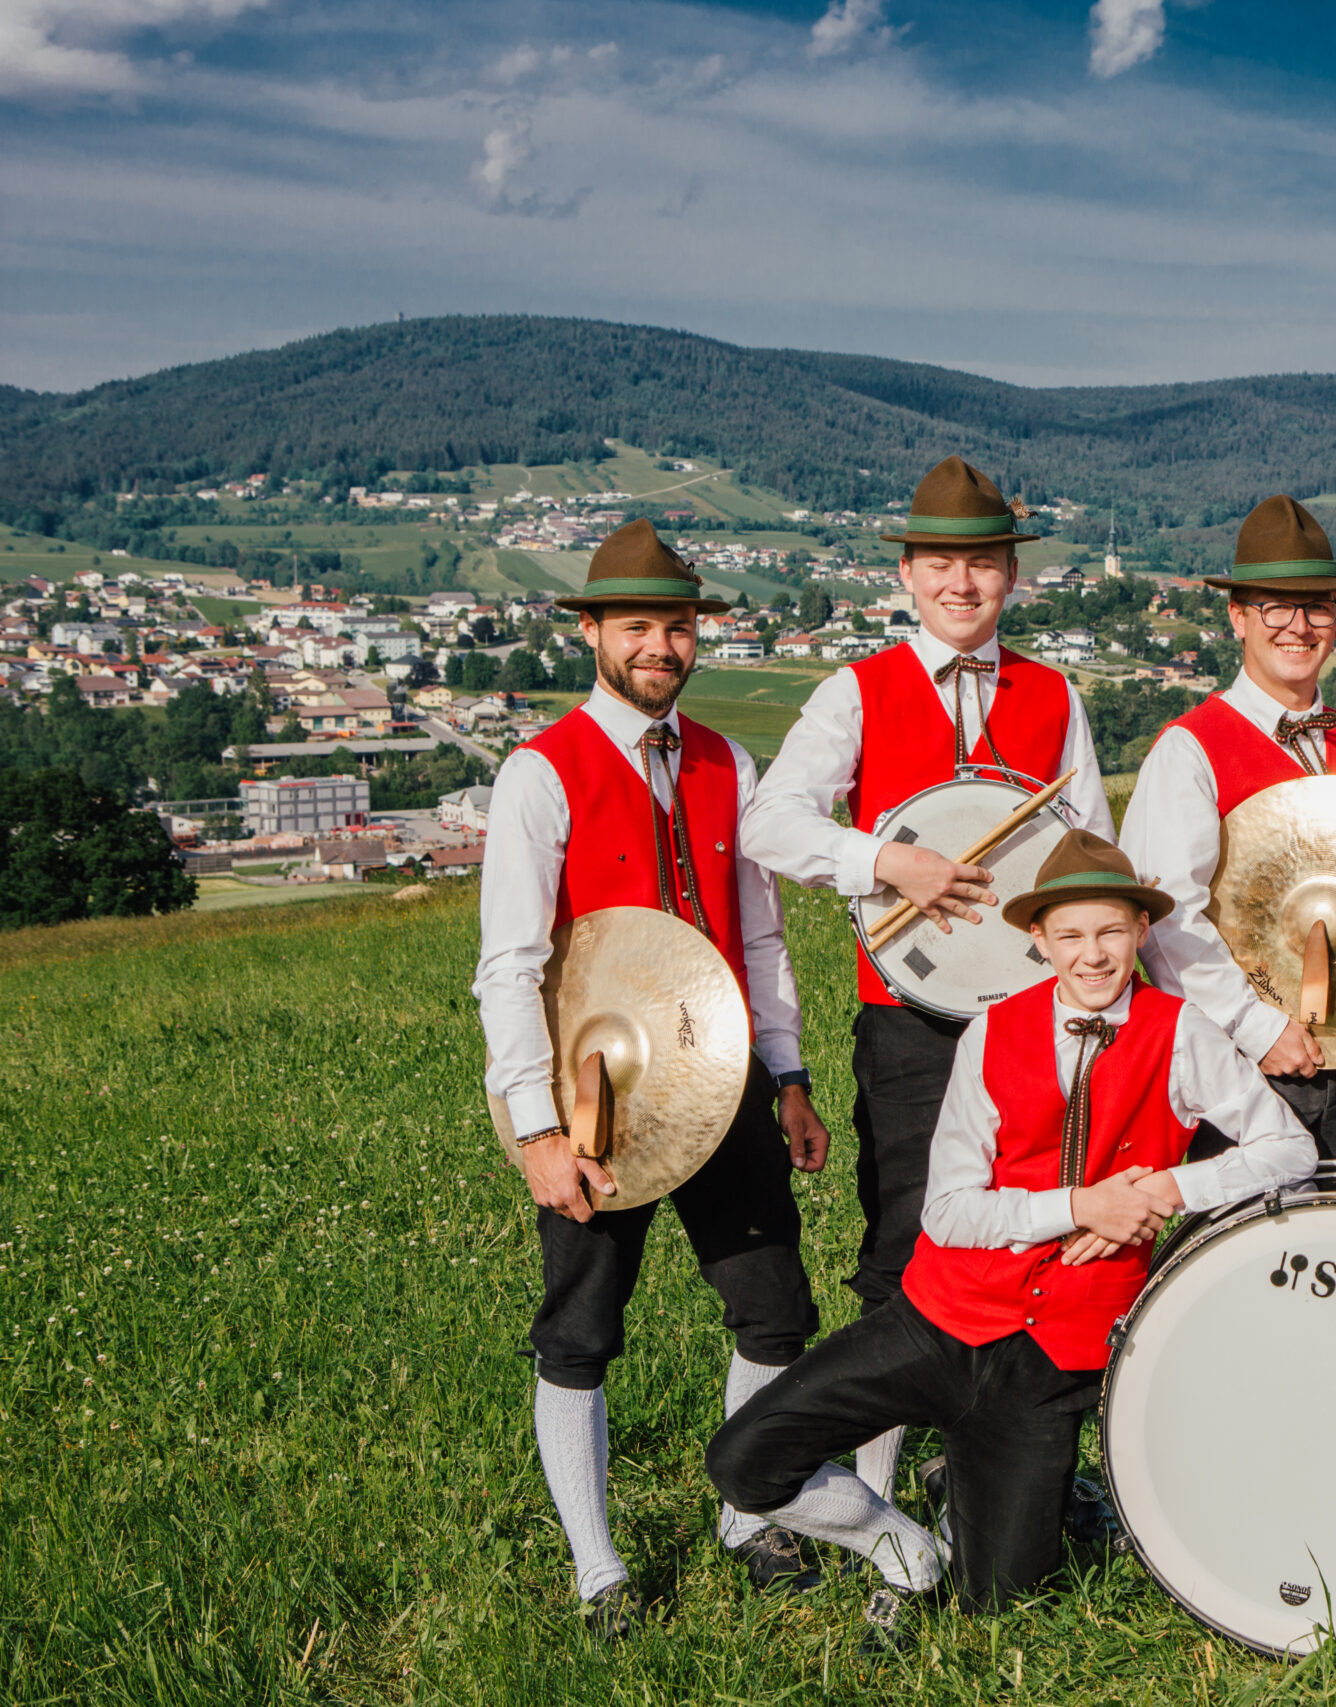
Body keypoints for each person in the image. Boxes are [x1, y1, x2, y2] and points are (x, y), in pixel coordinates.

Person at [704, 830, 1317, 1641]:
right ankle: (903, 1549)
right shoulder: (991, 1034)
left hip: (1055, 1358)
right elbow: (949, 1212)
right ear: (1039, 940)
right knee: (744, 1459)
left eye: (1110, 932)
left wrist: (1172, 1186)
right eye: (1070, 935)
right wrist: (1082, 1206)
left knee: (1000, 1603)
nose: (1093, 956)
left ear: (1140, 930)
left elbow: (1291, 1150)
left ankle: (1003, 1497)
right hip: (941, 1320)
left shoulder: (1185, 1032)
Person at [472, 520, 833, 1636]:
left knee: (775, 1316)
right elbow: (511, 964)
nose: (660, 646)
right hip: (597, 1101)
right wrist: (536, 1129)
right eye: (637, 626)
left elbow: (760, 938)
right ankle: (598, 1569)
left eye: (676, 627)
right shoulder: (543, 773)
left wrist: (791, 1074)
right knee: (580, 1330)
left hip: (725, 1087)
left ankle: (743, 1513)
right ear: (590, 631)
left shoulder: (732, 763)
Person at [739, 455, 1112, 1505]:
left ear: (1012, 576)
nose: (963, 584)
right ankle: (876, 1495)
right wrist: (883, 862)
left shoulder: (1052, 693)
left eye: (983, 564)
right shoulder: (856, 691)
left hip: (1038, 1025)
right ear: (905, 573)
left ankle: (1008, 1471)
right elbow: (769, 822)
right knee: (907, 1254)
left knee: (1044, 1237)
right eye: (942, 563)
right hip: (906, 1027)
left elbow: (1095, 853)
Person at [1121, 494, 1336, 1159]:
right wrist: (1258, 1029)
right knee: (1242, 1245)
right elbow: (1167, 921)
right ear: (1237, 617)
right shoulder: (1190, 750)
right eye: (1275, 606)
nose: (1298, 625)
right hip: (1235, 1058)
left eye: (1317, 606)